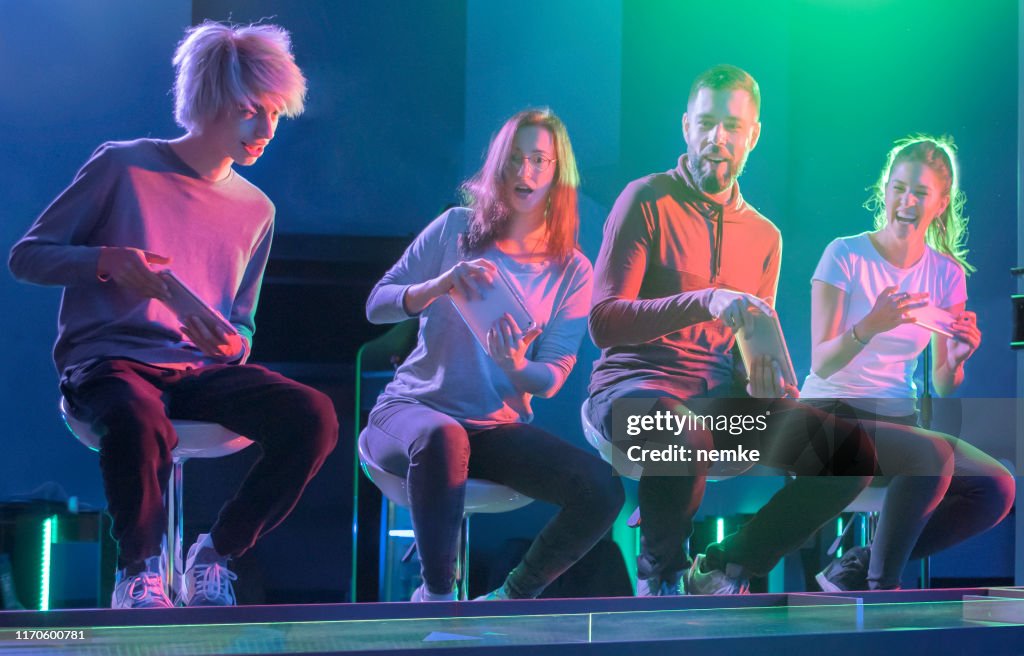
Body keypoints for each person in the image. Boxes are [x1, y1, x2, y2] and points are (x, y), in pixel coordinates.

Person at [9, 22, 339, 609]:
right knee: (137, 416)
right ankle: (139, 571)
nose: (265, 130)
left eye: (275, 116)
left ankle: (216, 554)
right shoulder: (123, 167)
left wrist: (229, 345)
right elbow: (27, 258)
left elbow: (243, 325)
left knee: (312, 414)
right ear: (210, 102)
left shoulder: (256, 208)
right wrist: (110, 262)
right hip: (110, 362)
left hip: (195, 372)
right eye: (249, 111)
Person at [586, 64, 884, 596]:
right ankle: (661, 578)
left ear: (753, 135)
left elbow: (746, 346)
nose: (715, 139)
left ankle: (723, 567)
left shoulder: (765, 235)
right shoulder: (645, 199)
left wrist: (764, 382)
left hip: (714, 404)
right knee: (683, 433)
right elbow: (604, 323)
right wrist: (706, 300)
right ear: (685, 126)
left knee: (849, 453)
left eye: (730, 126)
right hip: (628, 397)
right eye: (705, 124)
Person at [362, 108, 624, 602]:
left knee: (601, 489)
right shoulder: (454, 228)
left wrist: (514, 366)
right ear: (498, 166)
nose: (525, 173)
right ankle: (437, 597)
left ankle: (510, 599)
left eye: (539, 161)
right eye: (515, 159)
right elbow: (377, 304)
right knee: (443, 436)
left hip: (494, 428)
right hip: (413, 414)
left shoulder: (573, 268)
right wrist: (437, 286)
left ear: (556, 173)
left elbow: (550, 377)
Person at [802, 135, 1014, 591]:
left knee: (997, 487)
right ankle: (883, 588)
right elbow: (821, 363)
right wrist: (870, 325)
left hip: (896, 423)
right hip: (829, 417)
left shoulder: (946, 274)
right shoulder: (846, 254)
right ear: (885, 190)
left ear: (940, 203)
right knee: (930, 455)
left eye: (920, 192)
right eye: (898, 188)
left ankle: (857, 563)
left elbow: (943, 383)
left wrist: (956, 360)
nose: (906, 200)